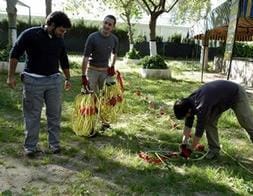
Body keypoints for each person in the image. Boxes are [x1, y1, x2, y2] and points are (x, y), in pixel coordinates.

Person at [6, 11, 72, 157]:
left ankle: (54, 145)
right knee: (32, 115)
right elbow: (14, 54)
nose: (63, 34)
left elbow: (64, 59)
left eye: (65, 31)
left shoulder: (59, 39)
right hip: (32, 81)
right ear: (52, 25)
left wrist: (67, 78)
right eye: (62, 30)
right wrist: (10, 76)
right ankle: (30, 147)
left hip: (54, 81)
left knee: (54, 114)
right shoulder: (30, 34)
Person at [173, 80, 253, 160]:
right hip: (220, 100)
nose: (186, 117)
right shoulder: (188, 103)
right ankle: (214, 151)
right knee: (209, 122)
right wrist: (184, 142)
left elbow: (199, 130)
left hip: (236, 93)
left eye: (185, 115)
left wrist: (191, 149)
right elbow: (188, 123)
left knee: (247, 123)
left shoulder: (201, 107)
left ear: (189, 110)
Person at [81, 15, 119, 130]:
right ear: (103, 23)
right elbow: (85, 57)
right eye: (105, 23)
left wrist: (112, 66)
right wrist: (83, 76)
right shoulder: (92, 37)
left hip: (105, 72)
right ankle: (89, 125)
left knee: (106, 98)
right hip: (92, 71)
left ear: (113, 27)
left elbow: (114, 53)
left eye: (110, 24)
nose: (107, 26)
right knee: (90, 97)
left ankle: (105, 122)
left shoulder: (114, 39)